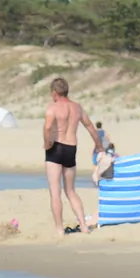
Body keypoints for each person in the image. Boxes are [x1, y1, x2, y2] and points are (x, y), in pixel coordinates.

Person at [41, 77, 102, 233]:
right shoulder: (77, 108)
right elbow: (90, 127)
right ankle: (83, 225)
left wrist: (47, 143)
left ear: (54, 93)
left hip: (56, 147)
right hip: (70, 148)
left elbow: (47, 128)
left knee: (55, 191)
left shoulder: (52, 108)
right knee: (70, 190)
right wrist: (100, 146)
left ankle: (59, 229)